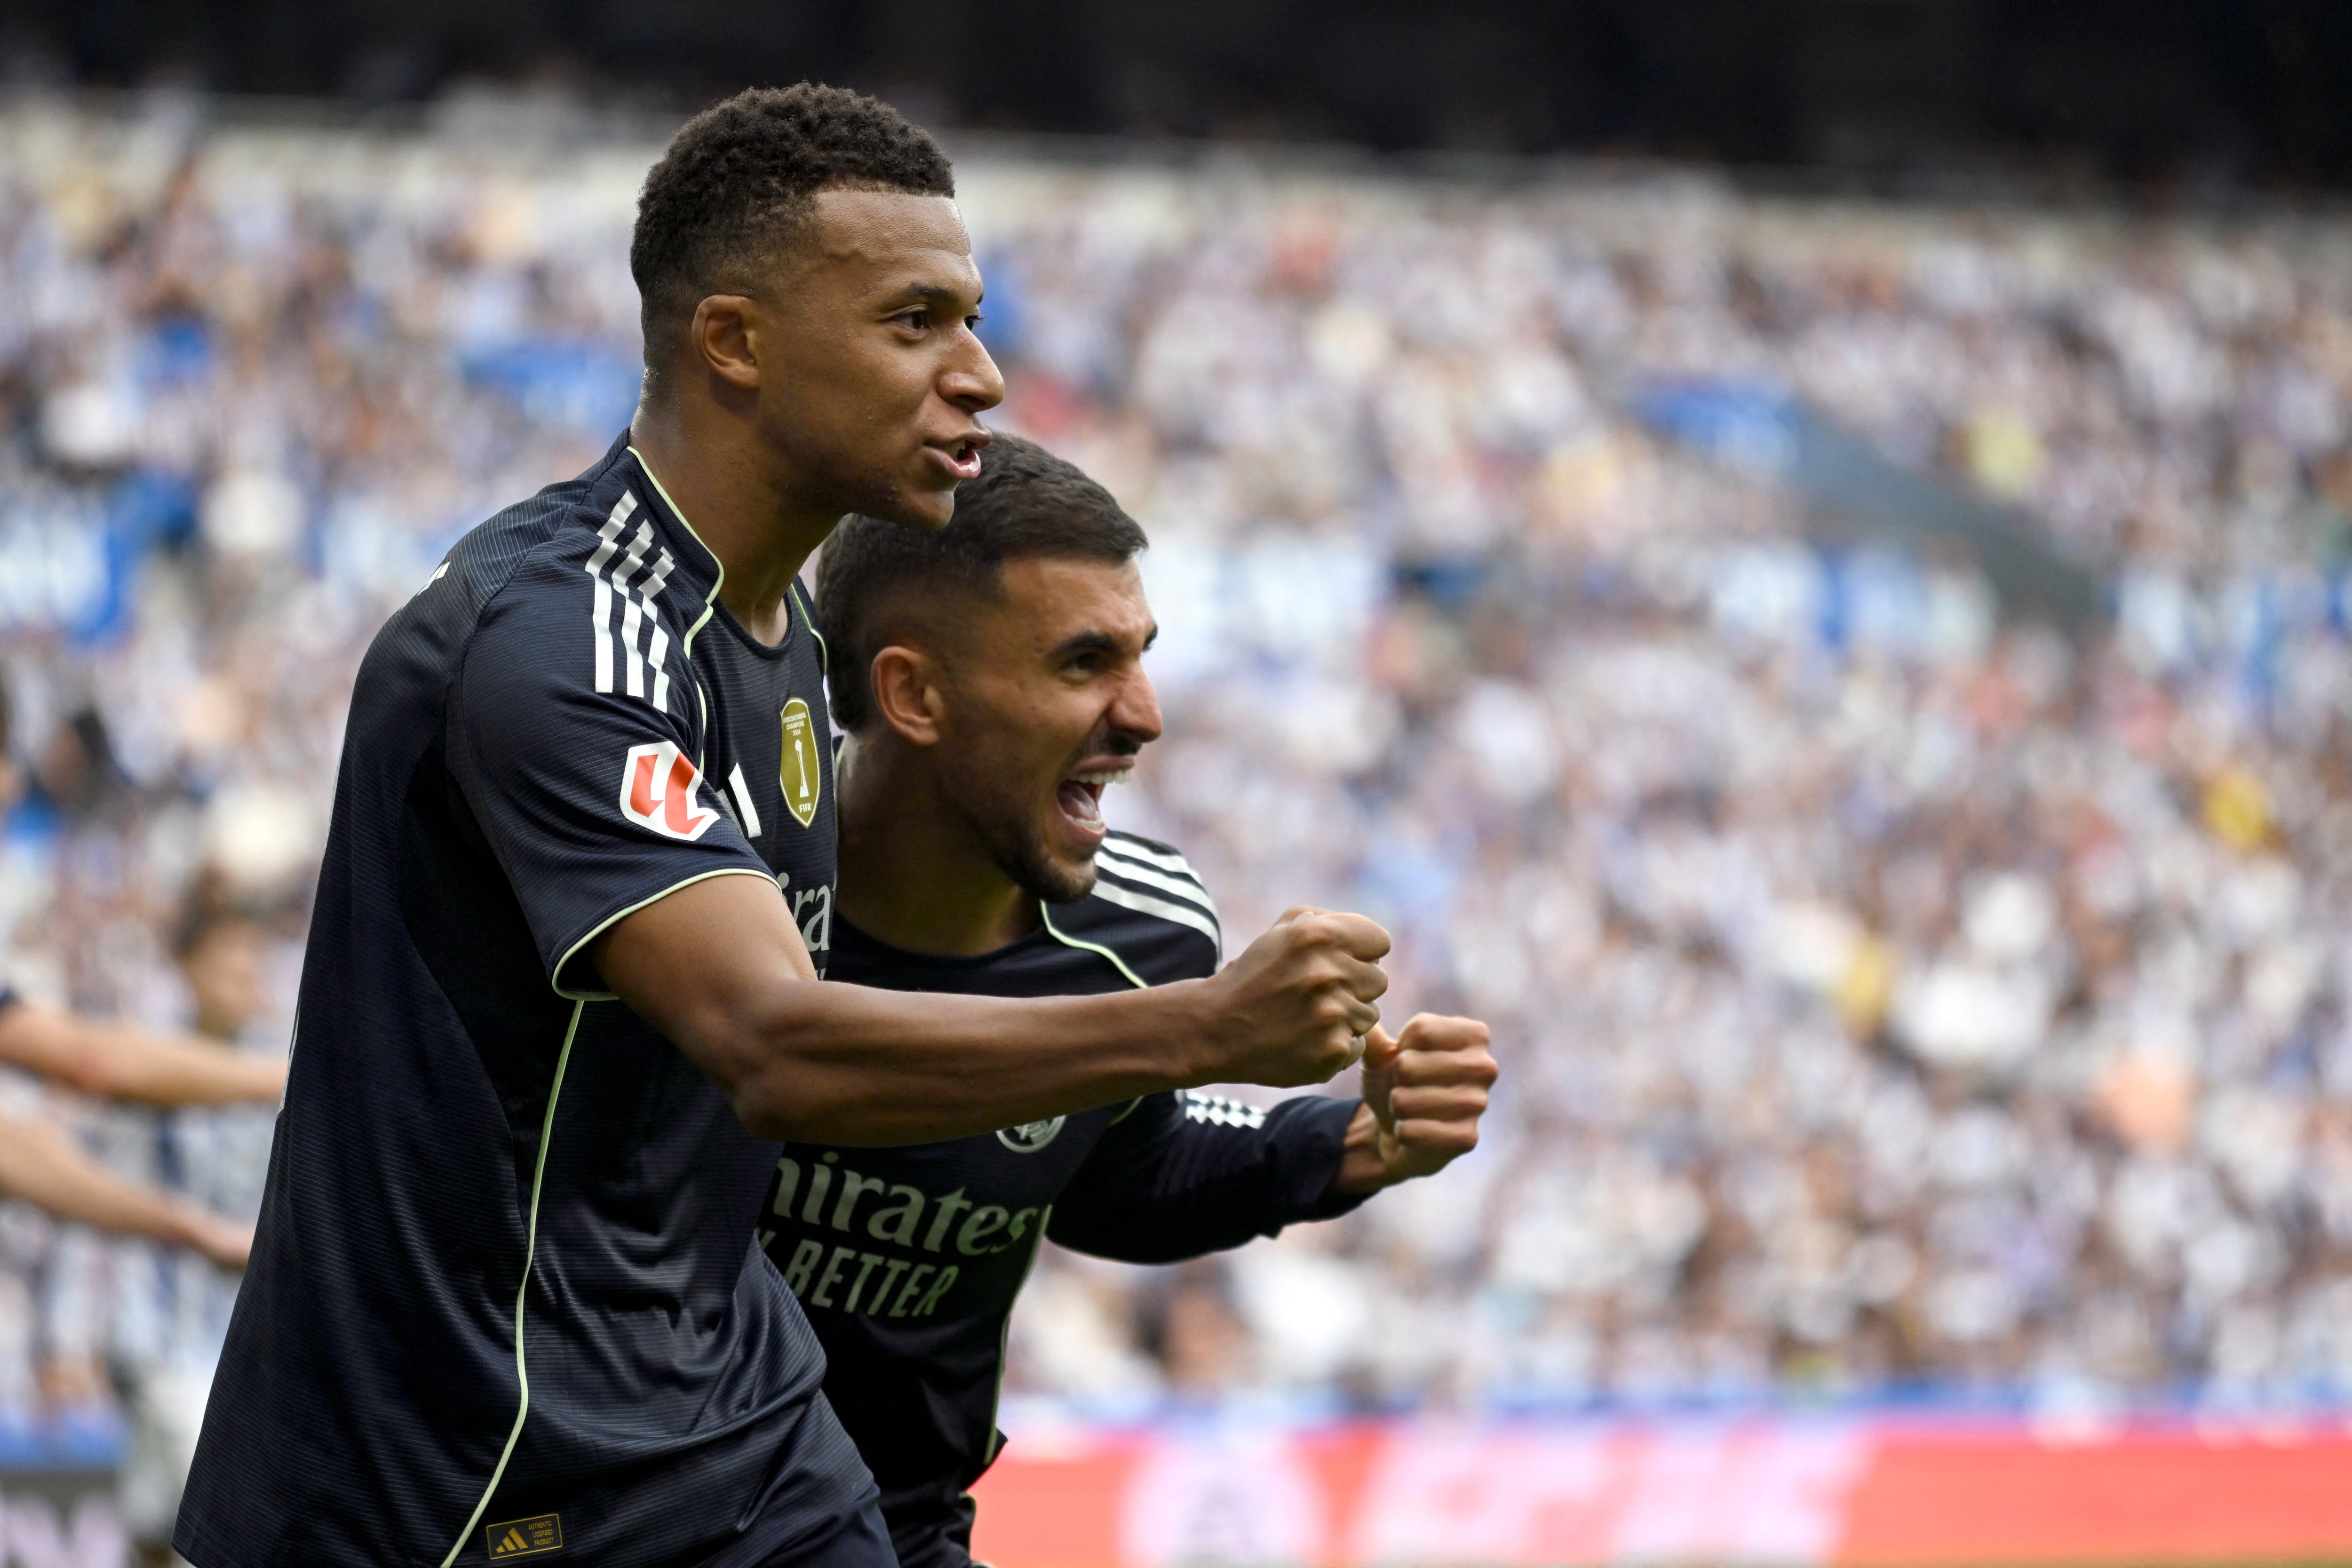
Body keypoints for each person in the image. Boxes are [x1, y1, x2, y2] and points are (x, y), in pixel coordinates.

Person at [178, 83, 1389, 1568]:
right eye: (915, 322)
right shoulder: (564, 640)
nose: (983, 375)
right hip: (471, 1473)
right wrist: (1200, 1027)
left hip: (726, 1439)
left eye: (974, 319)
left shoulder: (786, 656)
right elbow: (773, 1039)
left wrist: (1310, 1142)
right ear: (737, 343)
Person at [765, 433, 1497, 1568]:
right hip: (641, 1513)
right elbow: (769, 1056)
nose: (1145, 714)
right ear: (913, 692)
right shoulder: (717, 885)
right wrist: (1201, 1029)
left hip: (897, 1523)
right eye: (1082, 663)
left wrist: (1351, 1142)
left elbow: (1113, 1177)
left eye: (1142, 656)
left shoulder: (1147, 931)